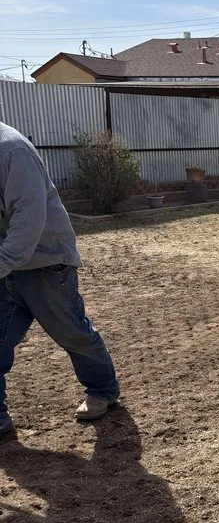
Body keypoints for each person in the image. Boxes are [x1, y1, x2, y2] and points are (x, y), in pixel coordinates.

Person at [0, 121, 119, 435]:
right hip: (6, 265)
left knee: (72, 333)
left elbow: (28, 223)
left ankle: (102, 390)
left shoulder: (12, 152)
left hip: (46, 262)